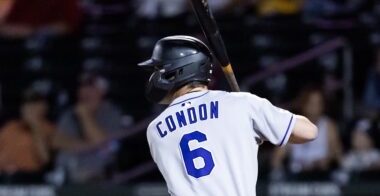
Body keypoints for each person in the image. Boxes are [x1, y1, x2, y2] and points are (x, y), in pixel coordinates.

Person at [138, 35, 318, 195]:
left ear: (176, 71)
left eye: (158, 69)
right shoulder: (242, 104)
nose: (155, 76)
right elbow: (309, 132)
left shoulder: (155, 130)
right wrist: (257, 131)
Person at [271, 87, 342, 179]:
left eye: (318, 103)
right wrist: (279, 174)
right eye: (312, 103)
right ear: (304, 104)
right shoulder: (291, 124)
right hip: (295, 177)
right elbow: (276, 158)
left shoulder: (329, 126)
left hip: (321, 175)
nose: (315, 108)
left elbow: (337, 153)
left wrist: (325, 161)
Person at [54, 73, 123, 151]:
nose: (85, 92)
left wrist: (85, 115)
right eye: (82, 87)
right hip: (67, 162)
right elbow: (57, 141)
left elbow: (101, 142)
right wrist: (87, 145)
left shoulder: (112, 113)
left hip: (96, 162)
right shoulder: (71, 112)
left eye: (91, 87)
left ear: (102, 91)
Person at [0, 89, 54, 184]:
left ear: (44, 106)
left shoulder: (48, 128)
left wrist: (35, 125)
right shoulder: (10, 127)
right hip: (3, 177)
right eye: (26, 102)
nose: (28, 107)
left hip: (28, 179)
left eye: (34, 102)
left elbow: (45, 159)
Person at [0, 0, 82, 38]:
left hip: (53, 51)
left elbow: (68, 26)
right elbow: (9, 22)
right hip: (21, 50)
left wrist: (33, 31)